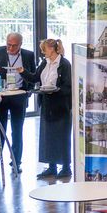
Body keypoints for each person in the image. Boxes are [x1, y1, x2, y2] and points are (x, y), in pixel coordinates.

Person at [0, 32, 36, 175]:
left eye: (14, 46)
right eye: (8, 45)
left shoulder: (29, 55)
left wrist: (27, 91)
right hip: (2, 97)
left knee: (17, 130)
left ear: (20, 45)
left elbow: (33, 75)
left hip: (19, 96)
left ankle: (16, 162)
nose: (10, 48)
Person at [33, 39, 73, 179]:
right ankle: (51, 167)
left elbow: (68, 87)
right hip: (47, 103)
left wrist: (56, 90)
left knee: (62, 136)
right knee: (48, 136)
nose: (43, 52)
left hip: (61, 105)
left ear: (52, 49)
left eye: (44, 49)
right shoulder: (45, 63)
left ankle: (66, 167)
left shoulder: (65, 64)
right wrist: (21, 71)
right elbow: (35, 78)